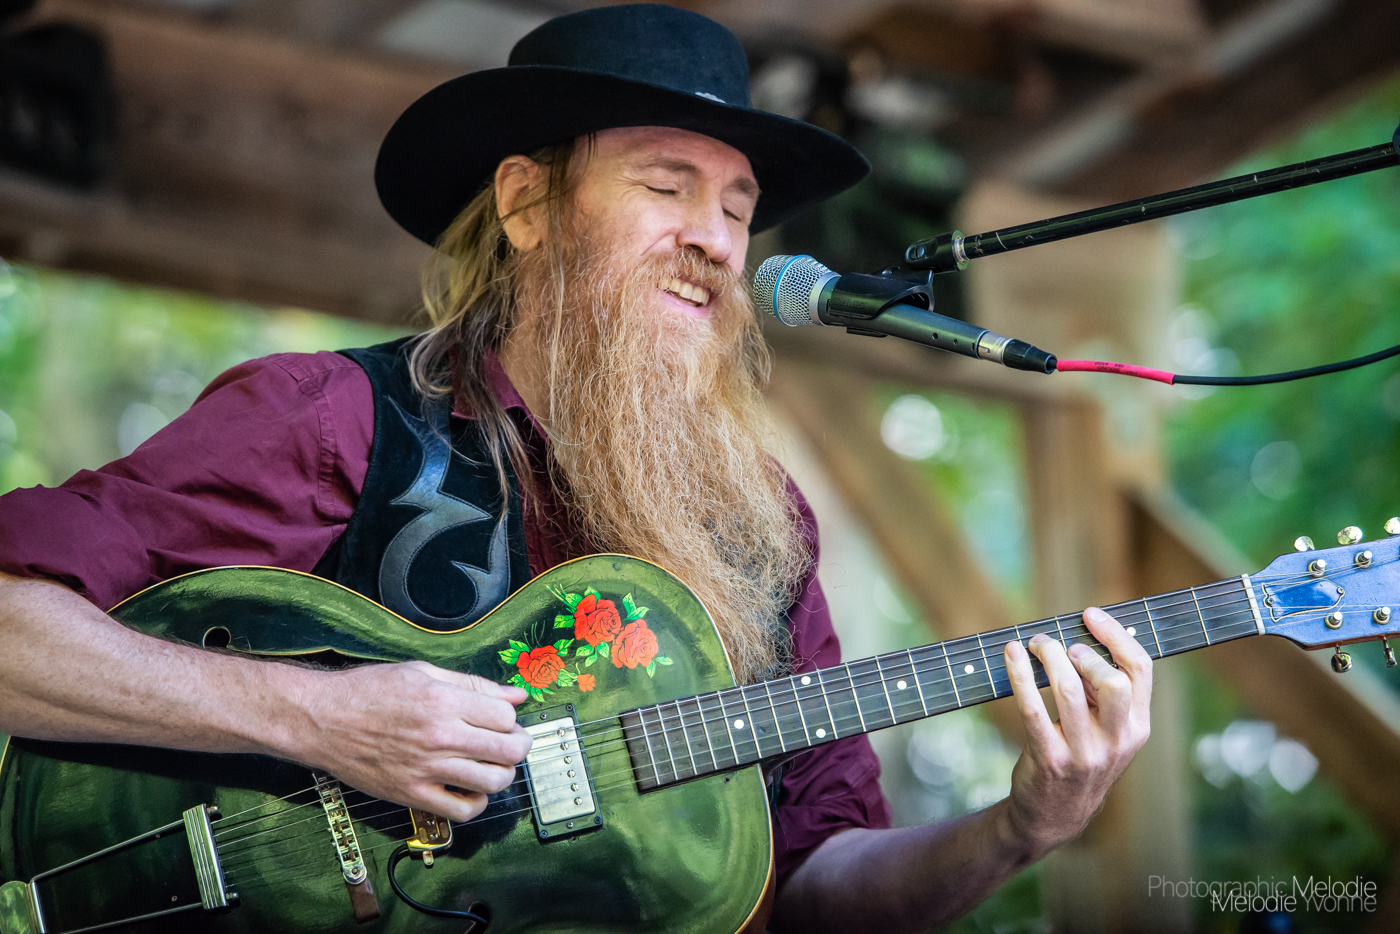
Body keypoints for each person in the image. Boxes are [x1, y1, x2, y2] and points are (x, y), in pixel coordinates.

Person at [0, 6, 1152, 931]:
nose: (715, 239)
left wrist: (1019, 828)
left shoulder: (761, 524)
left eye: (738, 207)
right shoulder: (335, 419)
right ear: (525, 204)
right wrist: (318, 717)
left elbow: (810, 879)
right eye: (666, 185)